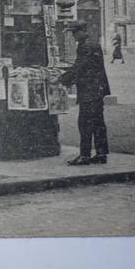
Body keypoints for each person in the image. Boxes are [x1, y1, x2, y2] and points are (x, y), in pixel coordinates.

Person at [56, 20, 111, 166]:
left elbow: (80, 67)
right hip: (97, 89)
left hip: (90, 90)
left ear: (81, 31)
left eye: (74, 32)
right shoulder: (91, 43)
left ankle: (85, 155)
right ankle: (101, 154)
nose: (73, 36)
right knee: (98, 123)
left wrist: (61, 79)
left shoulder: (86, 46)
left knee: (85, 123)